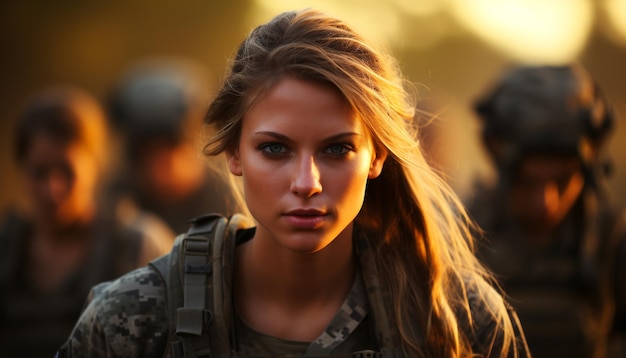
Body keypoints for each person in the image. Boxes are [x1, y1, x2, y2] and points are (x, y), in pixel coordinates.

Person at [58, 9, 530, 357]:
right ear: (233, 153)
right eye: (275, 149)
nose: (307, 182)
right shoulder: (134, 321)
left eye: (338, 148)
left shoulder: (455, 322)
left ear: (377, 156)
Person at [466, 64, 625, 357]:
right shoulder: (459, 235)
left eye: (564, 181)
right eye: (527, 182)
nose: (546, 203)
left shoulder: (611, 240)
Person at [0, 85, 171, 358]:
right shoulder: (6, 249)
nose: (52, 188)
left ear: (95, 165)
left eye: (66, 171)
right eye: (39, 172)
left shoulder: (138, 244)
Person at [105, 58, 240, 235]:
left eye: (169, 148)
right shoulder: (113, 205)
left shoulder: (229, 200)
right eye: (145, 154)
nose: (156, 169)